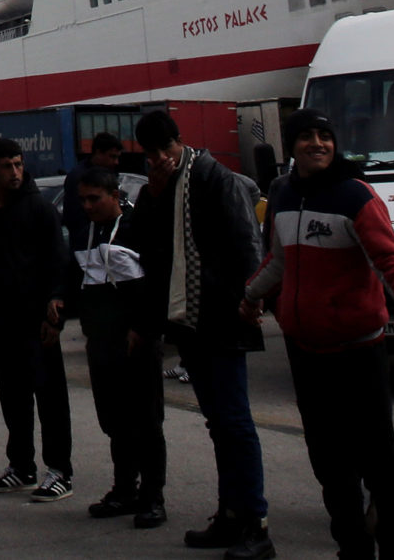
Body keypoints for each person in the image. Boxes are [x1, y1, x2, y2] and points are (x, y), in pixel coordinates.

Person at [239, 107, 394, 560]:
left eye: (324, 136)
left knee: (380, 466)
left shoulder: (357, 196)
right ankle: (354, 550)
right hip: (306, 354)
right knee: (331, 468)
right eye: (306, 137)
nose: (317, 144)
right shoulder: (283, 194)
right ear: (292, 146)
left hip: (359, 353)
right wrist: (250, 296)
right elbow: (280, 260)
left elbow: (392, 262)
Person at [129, 109, 268, 559]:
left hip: (223, 319)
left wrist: (251, 298)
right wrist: (154, 194)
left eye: (163, 152)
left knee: (234, 422)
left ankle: (255, 524)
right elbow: (149, 247)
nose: (159, 161)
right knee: (218, 424)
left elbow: (249, 244)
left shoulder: (215, 178)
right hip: (189, 323)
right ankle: (231, 515)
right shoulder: (161, 186)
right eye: (151, 157)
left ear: (178, 143)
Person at [0, 137, 73, 500]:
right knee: (13, 396)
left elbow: (60, 264)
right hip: (2, 320)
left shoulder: (39, 210)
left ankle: (60, 471)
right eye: (7, 166)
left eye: (19, 164)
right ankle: (21, 466)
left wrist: (55, 311)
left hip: (37, 323)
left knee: (49, 396)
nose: (15, 172)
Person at [65, 167, 163, 527]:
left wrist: (144, 328)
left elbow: (156, 284)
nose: (88, 206)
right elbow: (74, 280)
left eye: (95, 198)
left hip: (136, 342)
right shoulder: (83, 233)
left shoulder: (139, 229)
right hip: (101, 342)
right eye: (83, 199)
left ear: (114, 196)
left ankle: (153, 497)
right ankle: (124, 489)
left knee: (146, 421)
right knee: (115, 422)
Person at [59, 134, 124, 247]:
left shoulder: (110, 174)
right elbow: (74, 217)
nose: (116, 162)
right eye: (112, 156)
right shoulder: (78, 178)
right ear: (98, 153)